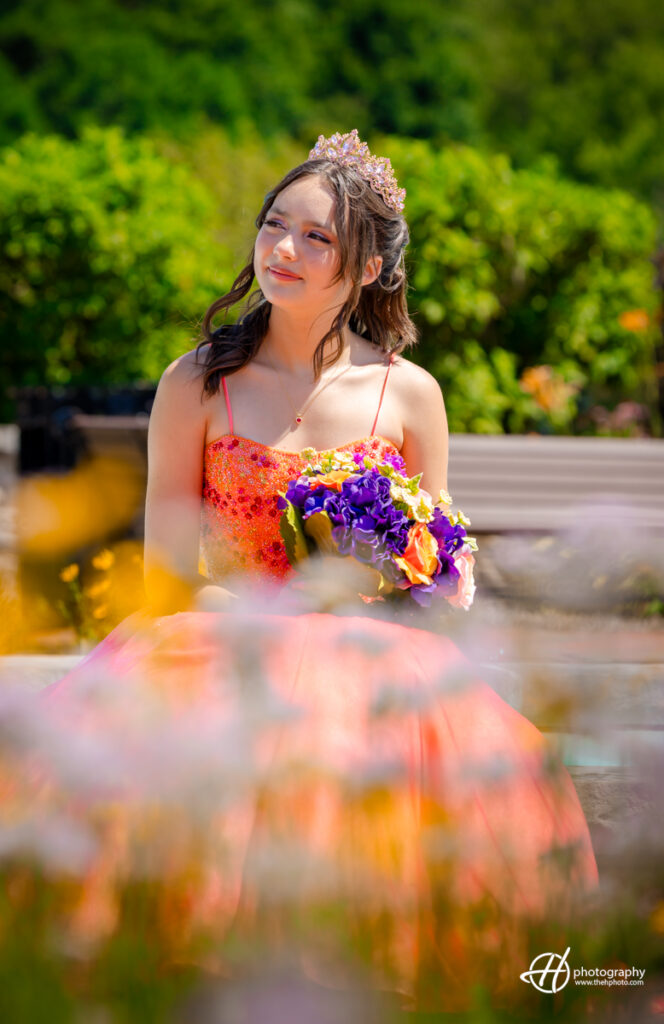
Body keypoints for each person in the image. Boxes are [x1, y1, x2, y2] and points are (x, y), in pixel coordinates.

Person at [42, 130, 599, 1013]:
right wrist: (274, 620)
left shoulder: (408, 393)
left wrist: (390, 600)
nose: (282, 250)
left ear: (370, 266)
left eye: (317, 238)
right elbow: (164, 570)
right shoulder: (196, 383)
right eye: (272, 226)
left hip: (374, 654)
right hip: (219, 637)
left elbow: (439, 569)